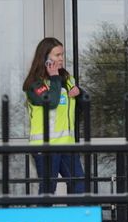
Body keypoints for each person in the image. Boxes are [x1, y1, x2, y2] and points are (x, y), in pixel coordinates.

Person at [24, 37, 86, 195]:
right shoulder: (34, 83)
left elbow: (83, 106)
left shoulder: (67, 79)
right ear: (45, 57)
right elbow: (51, 102)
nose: (61, 58)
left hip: (67, 145)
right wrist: (54, 77)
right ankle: (43, 213)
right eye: (57, 55)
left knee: (79, 187)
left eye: (62, 54)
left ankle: (75, 213)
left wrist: (80, 93)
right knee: (48, 190)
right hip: (45, 147)